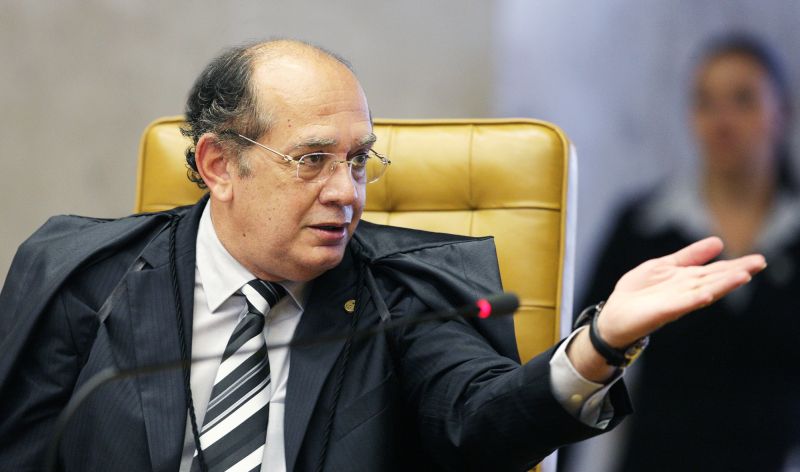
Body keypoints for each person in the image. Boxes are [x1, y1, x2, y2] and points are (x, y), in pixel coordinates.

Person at [0, 39, 764, 472]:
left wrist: (598, 344)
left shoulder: (401, 293)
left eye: (360, 161)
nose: (347, 193)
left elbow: (482, 421)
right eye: (312, 160)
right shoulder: (84, 280)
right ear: (219, 165)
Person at [563, 34, 800, 471]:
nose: (722, 120)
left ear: (782, 111)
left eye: (743, 99)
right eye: (705, 102)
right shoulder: (644, 228)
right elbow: (578, 361)